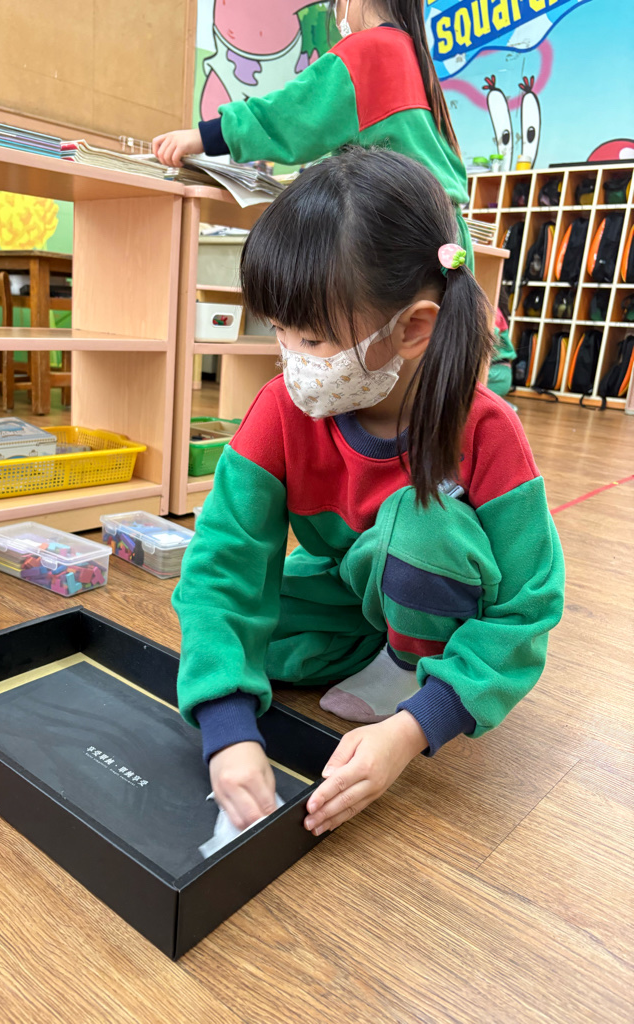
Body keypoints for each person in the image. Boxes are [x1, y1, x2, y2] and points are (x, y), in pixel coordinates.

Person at [173, 148, 564, 836]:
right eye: (280, 331)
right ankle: (382, 643)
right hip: (352, 587)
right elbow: (223, 565)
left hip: (430, 588)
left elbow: (528, 608)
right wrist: (227, 724)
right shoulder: (280, 410)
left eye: (312, 337)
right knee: (242, 644)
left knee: (424, 525)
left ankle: (411, 666)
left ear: (413, 327)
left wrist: (412, 729)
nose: (290, 357)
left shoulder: (486, 430)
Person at [153, 0, 473, 267]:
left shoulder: (369, 49)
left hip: (402, 238)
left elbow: (290, 115)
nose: (337, 18)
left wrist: (205, 136)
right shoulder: (414, 57)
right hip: (446, 238)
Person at [488, 287, 517, 400]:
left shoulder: (493, 312)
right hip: (501, 373)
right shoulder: (497, 310)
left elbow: (487, 338)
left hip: (494, 375)